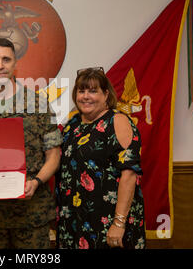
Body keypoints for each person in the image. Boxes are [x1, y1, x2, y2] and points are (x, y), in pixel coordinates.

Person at [0, 38, 62, 249]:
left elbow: (54, 154)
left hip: (31, 211)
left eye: (6, 59)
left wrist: (36, 181)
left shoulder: (39, 103)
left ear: (15, 62)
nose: (0, 65)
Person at [55, 67, 145, 249]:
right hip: (74, 221)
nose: (86, 96)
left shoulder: (117, 121)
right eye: (81, 91)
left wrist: (119, 223)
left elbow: (129, 174)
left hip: (107, 222)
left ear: (106, 95)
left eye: (93, 91)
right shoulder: (73, 124)